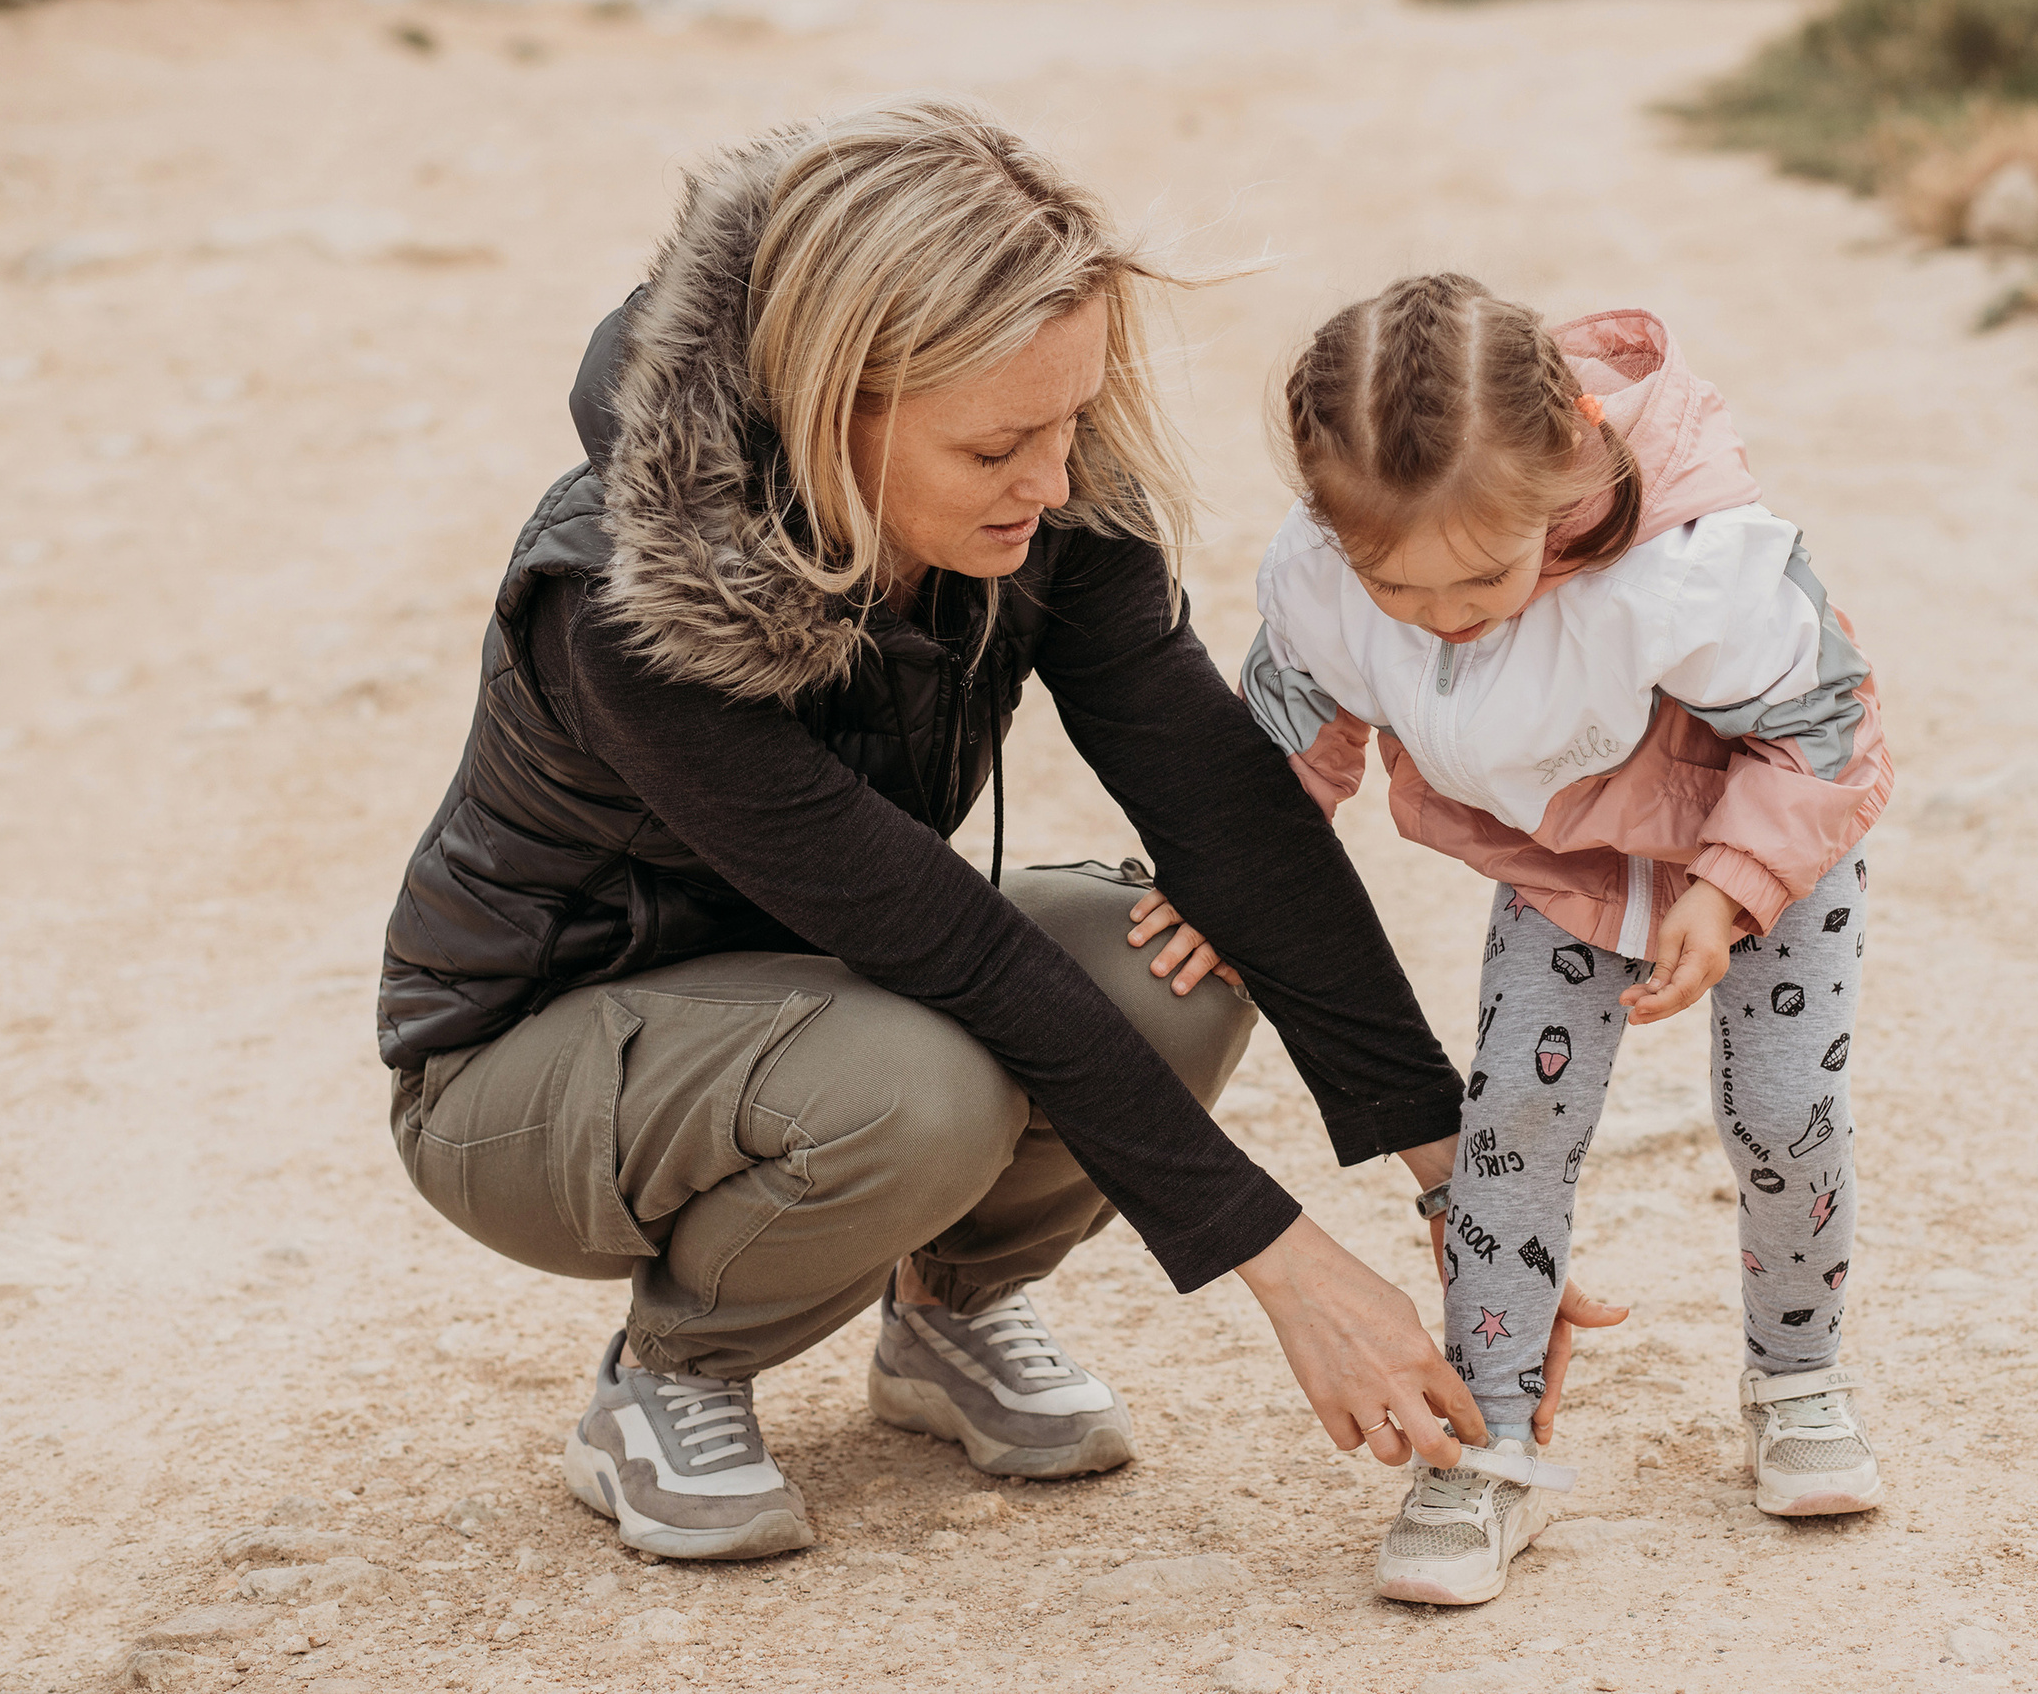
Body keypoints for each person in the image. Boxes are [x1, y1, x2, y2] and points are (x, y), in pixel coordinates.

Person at [375, 98, 1497, 1562]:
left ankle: (945, 1321)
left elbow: (1229, 813)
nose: (1052, 478)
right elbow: (952, 949)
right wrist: (1288, 1268)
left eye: (1072, 419)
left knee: (1177, 959)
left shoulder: (1046, 502)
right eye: (997, 447)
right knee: (927, 1080)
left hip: (828, 993)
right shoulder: (623, 602)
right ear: (832, 406)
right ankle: (671, 1376)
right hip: (524, 1070)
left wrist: (1458, 1170)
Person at [1244, 273, 1895, 1604]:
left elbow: (1830, 729)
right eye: (1395, 582)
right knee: (1515, 1127)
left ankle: (1801, 1378)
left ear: (1568, 469)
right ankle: (1485, 1452)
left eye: (1484, 575)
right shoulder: (1332, 581)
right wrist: (1224, 878)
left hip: (1767, 838)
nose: (1440, 615)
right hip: (1570, 862)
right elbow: (1290, 735)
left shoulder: (1691, 571)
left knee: (1785, 1114)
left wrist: (1727, 885)